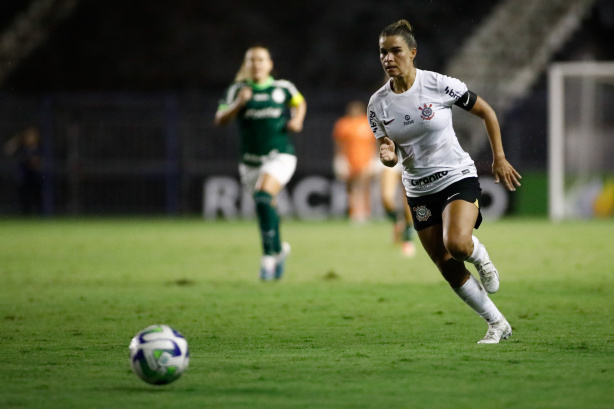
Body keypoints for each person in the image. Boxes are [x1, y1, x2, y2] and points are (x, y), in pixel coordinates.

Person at [368, 20, 522, 343]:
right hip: (418, 189)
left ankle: (481, 257)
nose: (388, 58)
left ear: (412, 52)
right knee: (445, 264)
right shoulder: (377, 105)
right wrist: (387, 155)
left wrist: (499, 157)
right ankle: (497, 323)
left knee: (458, 245)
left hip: (455, 176)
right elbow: (390, 151)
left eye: (395, 51)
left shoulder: (438, 84)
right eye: (383, 52)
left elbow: (487, 112)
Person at [214, 45, 307, 281]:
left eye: (261, 60)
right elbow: (219, 120)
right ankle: (278, 250)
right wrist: (238, 105)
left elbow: (299, 102)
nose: (256, 64)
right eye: (251, 60)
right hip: (250, 162)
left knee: (263, 198)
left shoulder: (282, 88)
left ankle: (267, 260)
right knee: (266, 206)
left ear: (269, 64)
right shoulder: (237, 90)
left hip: (280, 156)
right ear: (246, 65)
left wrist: (297, 120)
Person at [332, 100, 376, 223]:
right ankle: (353, 211)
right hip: (350, 160)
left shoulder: (367, 123)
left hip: (365, 160)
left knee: (362, 186)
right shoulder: (343, 124)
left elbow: (375, 142)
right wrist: (339, 160)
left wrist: (375, 159)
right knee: (351, 188)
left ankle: (363, 212)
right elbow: (339, 144)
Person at [3, 125, 44, 215]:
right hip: (24, 176)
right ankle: (25, 216)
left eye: (32, 135)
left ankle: (39, 216)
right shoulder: (22, 148)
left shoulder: (39, 147)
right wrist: (18, 139)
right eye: (28, 135)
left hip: (35, 176)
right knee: (24, 199)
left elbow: (39, 162)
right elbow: (7, 150)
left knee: (37, 198)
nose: (30, 138)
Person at [379, 162, 416, 257]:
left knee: (408, 198)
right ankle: (398, 221)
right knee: (386, 197)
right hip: (392, 156)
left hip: (410, 156)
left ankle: (407, 238)